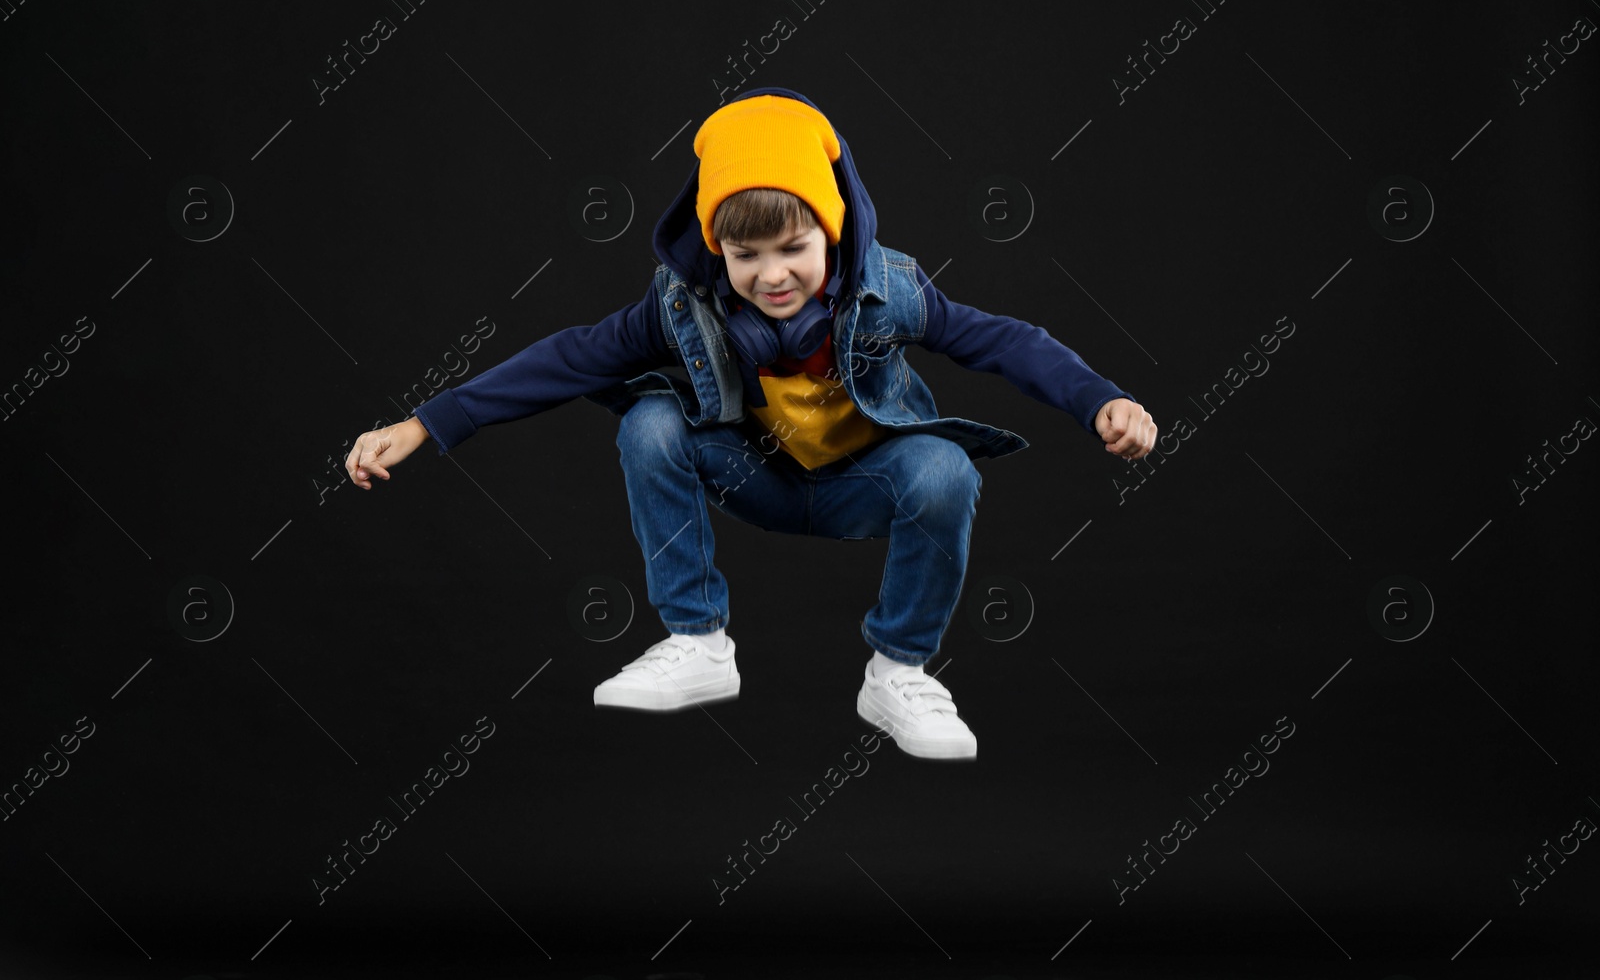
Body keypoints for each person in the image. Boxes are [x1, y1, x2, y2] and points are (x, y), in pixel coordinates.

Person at [344, 87, 1156, 761]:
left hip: (861, 485)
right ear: (715, 251)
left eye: (793, 247)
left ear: (832, 229)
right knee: (650, 421)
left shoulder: (894, 290)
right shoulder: (681, 307)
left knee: (947, 468)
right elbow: (568, 359)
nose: (772, 275)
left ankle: (898, 671)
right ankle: (698, 642)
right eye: (746, 257)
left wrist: (1099, 399)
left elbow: (1005, 340)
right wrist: (426, 423)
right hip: (754, 478)